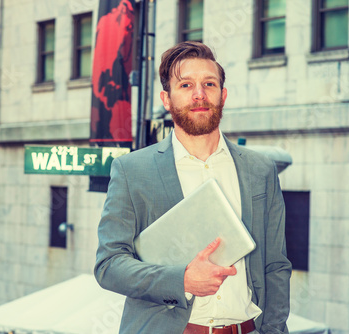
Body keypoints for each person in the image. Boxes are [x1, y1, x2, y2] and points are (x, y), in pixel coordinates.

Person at [94, 41, 291, 334]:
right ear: (167, 98)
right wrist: (181, 280)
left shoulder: (260, 170)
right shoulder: (131, 170)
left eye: (208, 84)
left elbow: (275, 266)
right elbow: (109, 265)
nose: (199, 94)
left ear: (222, 95)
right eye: (185, 85)